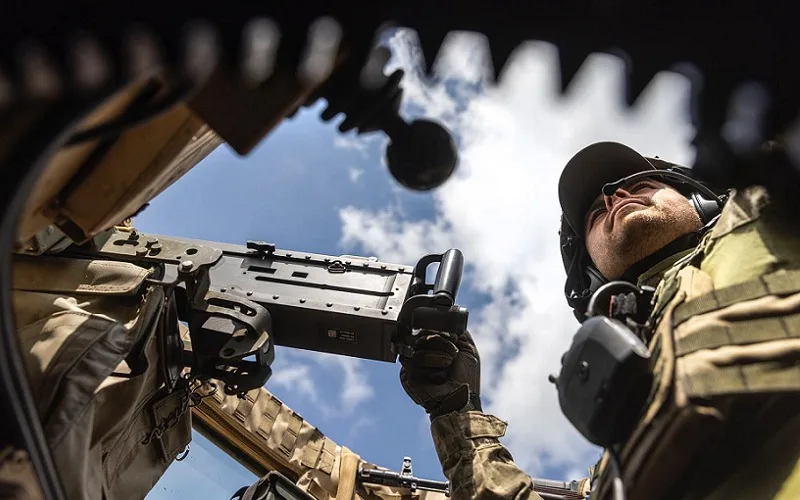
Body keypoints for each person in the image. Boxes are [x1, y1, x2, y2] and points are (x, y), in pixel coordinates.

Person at [398, 141, 800, 500]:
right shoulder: (619, 456)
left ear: (700, 198)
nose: (614, 196)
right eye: (594, 213)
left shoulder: (768, 210)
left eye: (640, 183)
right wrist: (457, 412)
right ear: (591, 277)